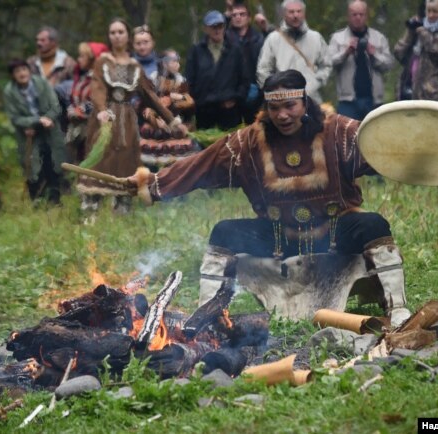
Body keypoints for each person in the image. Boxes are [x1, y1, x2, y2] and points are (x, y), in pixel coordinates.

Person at [126, 70, 411, 327]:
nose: (282, 115)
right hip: (278, 239)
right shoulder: (247, 143)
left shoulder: (340, 132)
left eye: (290, 106)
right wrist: (151, 184)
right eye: (274, 108)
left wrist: (423, 155)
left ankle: (397, 308)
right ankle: (207, 315)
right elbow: (201, 164)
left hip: (336, 234)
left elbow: (386, 150)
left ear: (304, 102)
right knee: (224, 232)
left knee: (373, 225)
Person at [76, 18, 186, 220]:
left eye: (120, 32)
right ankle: (90, 212)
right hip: (104, 119)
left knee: (125, 162)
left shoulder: (135, 66)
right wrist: (101, 109)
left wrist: (172, 121)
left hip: (126, 120)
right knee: (99, 160)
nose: (116, 36)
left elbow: (150, 96)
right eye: (113, 32)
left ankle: (121, 211)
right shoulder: (103, 62)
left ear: (127, 36)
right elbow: (97, 88)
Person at [3, 59, 66, 204]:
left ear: (29, 71)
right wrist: (34, 121)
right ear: (13, 75)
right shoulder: (9, 91)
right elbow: (14, 117)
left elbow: (55, 105)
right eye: (17, 71)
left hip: (49, 129)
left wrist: (48, 118)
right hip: (28, 133)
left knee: (54, 162)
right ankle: (37, 200)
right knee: (31, 165)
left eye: (24, 69)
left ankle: (55, 199)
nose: (22, 73)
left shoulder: (41, 83)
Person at [327, 0, 394, 120]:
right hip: (348, 101)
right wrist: (346, 52)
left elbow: (389, 64)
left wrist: (374, 54)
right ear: (348, 16)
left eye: (361, 14)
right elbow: (329, 62)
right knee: (346, 137)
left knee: (375, 137)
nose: (358, 18)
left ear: (366, 15)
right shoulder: (337, 38)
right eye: (354, 14)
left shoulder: (378, 38)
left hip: (373, 100)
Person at [256, 0, 331, 104]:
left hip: (311, 99)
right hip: (282, 102)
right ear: (283, 14)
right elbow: (263, 69)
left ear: (304, 13)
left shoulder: (316, 38)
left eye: (299, 11)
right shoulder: (273, 39)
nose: (295, 15)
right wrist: (274, 91)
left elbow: (326, 65)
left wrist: (316, 82)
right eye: (291, 12)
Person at [185, 10, 248, 130]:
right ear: (206, 29)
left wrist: (235, 98)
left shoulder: (235, 50)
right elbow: (189, 80)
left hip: (229, 111)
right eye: (213, 27)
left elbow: (244, 80)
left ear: (225, 27)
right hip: (204, 111)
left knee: (231, 146)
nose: (217, 30)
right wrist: (197, 101)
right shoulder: (196, 51)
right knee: (205, 146)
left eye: (220, 26)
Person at [393, 0, 438, 104]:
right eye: (428, 11)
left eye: (435, 11)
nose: (430, 15)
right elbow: (399, 53)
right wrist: (410, 32)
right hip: (412, 94)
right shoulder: (420, 29)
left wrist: (423, 33)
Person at [66, 42, 109, 164]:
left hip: (93, 128)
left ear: (92, 59)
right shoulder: (83, 77)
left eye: (82, 56)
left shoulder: (101, 79)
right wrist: (71, 109)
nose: (78, 59)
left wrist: (79, 111)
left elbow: (98, 101)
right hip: (77, 128)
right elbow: (74, 98)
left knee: (91, 162)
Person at [225, 1, 265, 124]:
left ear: (249, 17)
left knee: (255, 129)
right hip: (232, 92)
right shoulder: (224, 39)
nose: (238, 17)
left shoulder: (259, 38)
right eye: (234, 15)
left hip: (256, 90)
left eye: (242, 14)